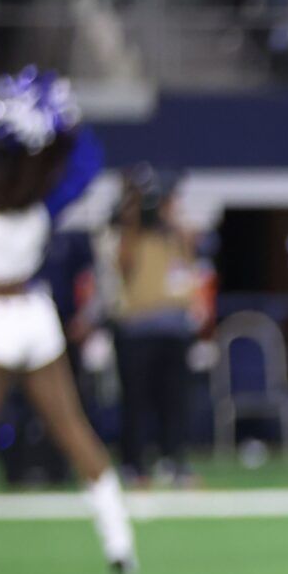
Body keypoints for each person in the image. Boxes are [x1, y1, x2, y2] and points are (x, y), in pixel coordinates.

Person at [0, 70, 137, 574]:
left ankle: (120, 542)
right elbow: (86, 159)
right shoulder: (44, 201)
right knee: (73, 429)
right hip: (34, 315)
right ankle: (120, 544)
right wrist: (59, 122)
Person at [107, 166, 209, 486]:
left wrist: (171, 220)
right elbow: (121, 264)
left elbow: (192, 262)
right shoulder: (128, 232)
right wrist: (136, 212)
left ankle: (174, 463)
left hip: (175, 328)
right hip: (137, 329)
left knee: (175, 401)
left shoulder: (176, 234)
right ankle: (133, 465)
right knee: (136, 402)